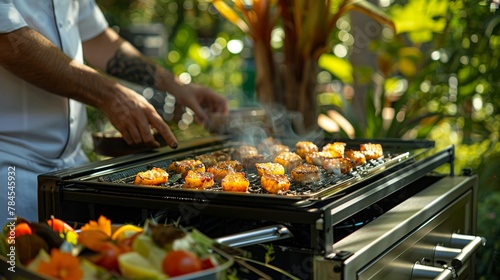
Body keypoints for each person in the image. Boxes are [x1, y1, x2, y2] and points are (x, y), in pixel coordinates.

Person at [0, 0, 228, 223]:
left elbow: (99, 40)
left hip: (70, 171)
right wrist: (109, 94)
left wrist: (176, 85)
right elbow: (9, 42)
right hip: (10, 174)